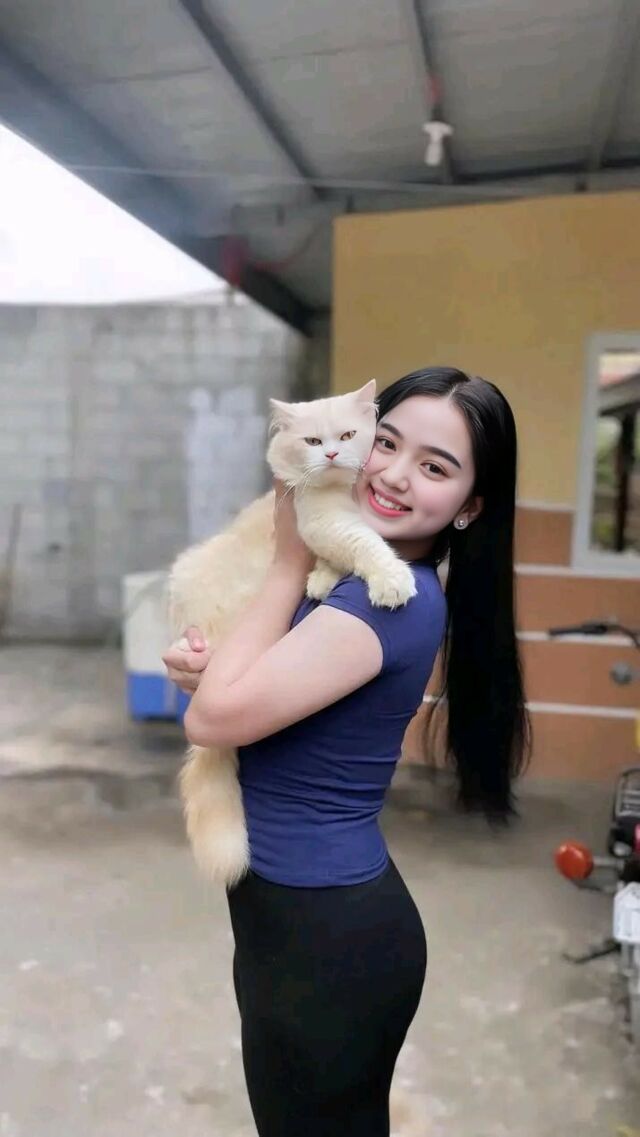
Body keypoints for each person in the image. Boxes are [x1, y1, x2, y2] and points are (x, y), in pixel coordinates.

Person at [162, 367, 530, 1136]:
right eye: (386, 443)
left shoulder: (387, 598)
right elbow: (243, 700)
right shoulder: (345, 583)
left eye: (435, 466)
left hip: (327, 940)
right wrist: (215, 667)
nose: (393, 474)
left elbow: (213, 720)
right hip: (290, 923)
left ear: (470, 507)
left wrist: (287, 559)